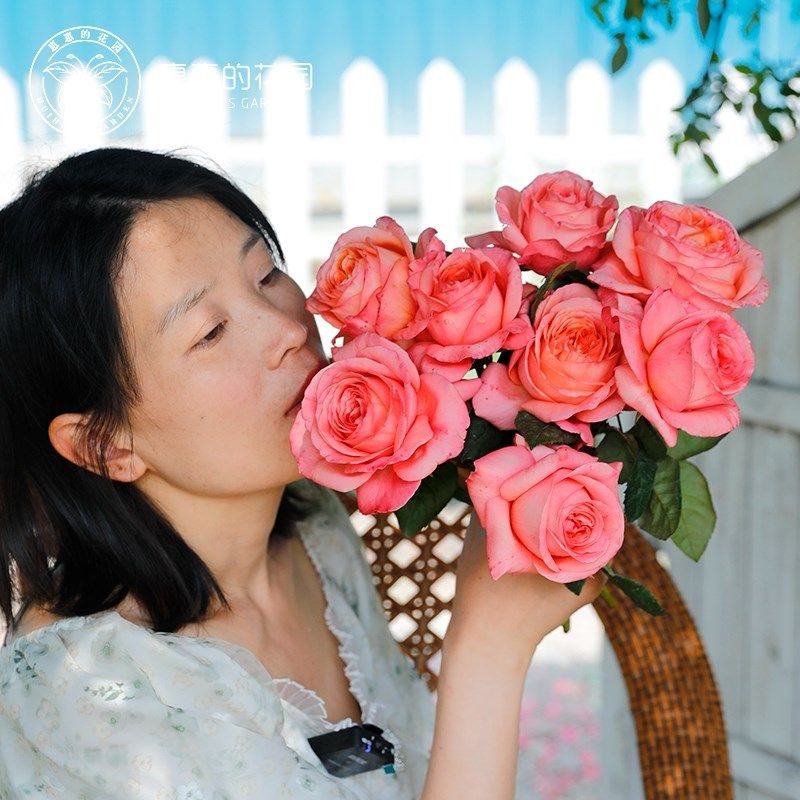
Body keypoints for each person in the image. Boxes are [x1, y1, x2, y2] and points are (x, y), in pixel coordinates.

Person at [0, 147, 607, 799]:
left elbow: (372, 763)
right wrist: (490, 649)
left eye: (265, 275)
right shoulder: (88, 696)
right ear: (104, 445)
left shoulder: (313, 531)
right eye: (210, 332)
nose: (287, 327)